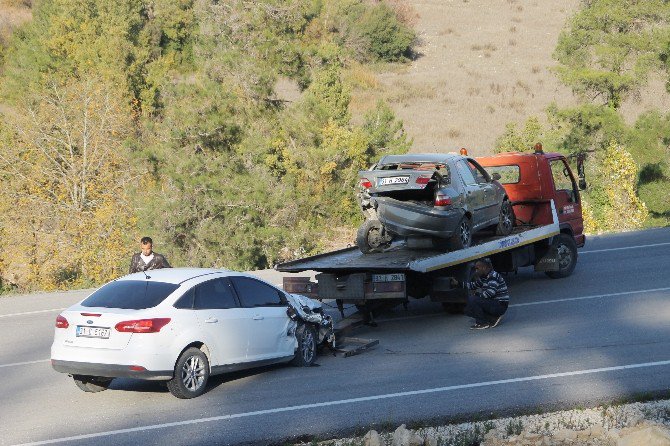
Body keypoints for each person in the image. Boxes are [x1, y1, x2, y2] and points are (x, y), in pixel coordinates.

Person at [451, 258, 509, 330]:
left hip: (500, 305)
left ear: (484, 268)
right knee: (467, 310)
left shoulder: (493, 276)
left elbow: (490, 293)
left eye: (477, 268)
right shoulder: (484, 277)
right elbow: (472, 285)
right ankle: (492, 318)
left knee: (473, 299)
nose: (476, 271)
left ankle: (482, 323)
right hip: (493, 303)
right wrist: (458, 283)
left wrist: (477, 295)